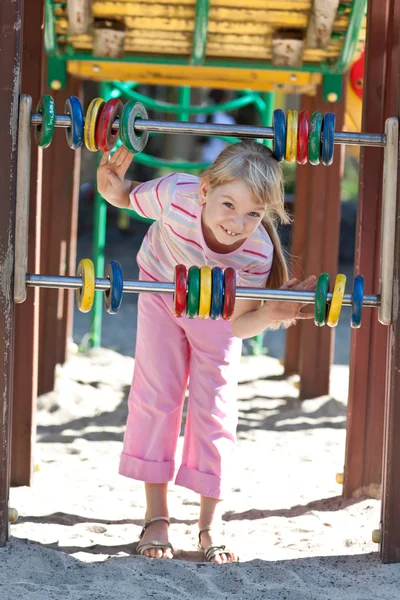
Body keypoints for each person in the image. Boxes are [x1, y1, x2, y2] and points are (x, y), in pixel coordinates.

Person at [97, 140, 317, 563]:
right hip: (162, 290)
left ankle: (209, 522)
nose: (237, 222)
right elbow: (121, 195)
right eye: (229, 205)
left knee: (213, 404)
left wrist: (271, 312)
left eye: (253, 213)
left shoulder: (257, 253)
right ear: (203, 192)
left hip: (218, 312)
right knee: (156, 395)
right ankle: (156, 514)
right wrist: (109, 185)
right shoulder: (175, 195)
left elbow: (239, 325)